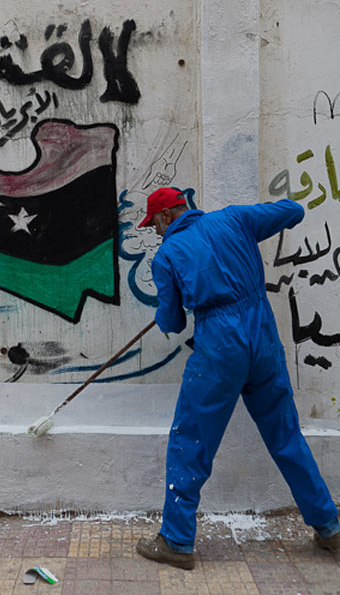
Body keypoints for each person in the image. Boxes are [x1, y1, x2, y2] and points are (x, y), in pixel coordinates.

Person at [135, 187, 340, 570]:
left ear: (165, 217)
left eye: (155, 225)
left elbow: (173, 322)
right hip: (262, 333)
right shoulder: (234, 218)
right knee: (286, 435)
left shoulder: (168, 255)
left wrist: (169, 307)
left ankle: (177, 542)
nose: (157, 232)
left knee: (191, 441)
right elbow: (292, 210)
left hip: (219, 347)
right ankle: (329, 528)